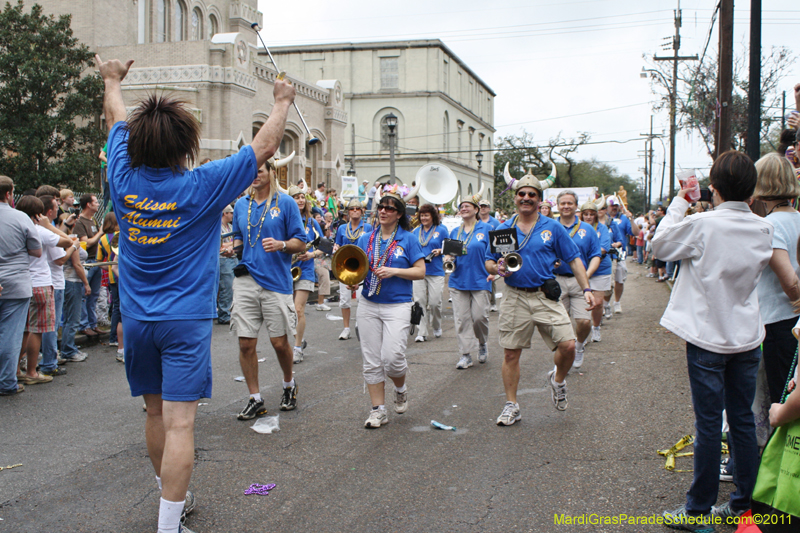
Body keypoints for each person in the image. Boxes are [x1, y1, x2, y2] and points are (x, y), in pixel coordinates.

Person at [97, 54, 295, 533]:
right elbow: (265, 145)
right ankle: (168, 522)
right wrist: (283, 101)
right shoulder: (203, 184)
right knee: (181, 423)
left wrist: (111, 80)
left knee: (153, 412)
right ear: (186, 145)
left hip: (138, 320)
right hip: (185, 322)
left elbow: (116, 117)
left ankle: (172, 504)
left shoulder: (121, 178)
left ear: (139, 143)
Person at [653, 151, 773, 528]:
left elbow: (659, 246)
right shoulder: (762, 228)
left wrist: (680, 201)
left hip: (707, 337)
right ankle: (742, 506)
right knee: (742, 420)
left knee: (708, 424)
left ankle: (698, 511)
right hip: (747, 337)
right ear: (751, 192)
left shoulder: (704, 224)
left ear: (714, 187)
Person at [486, 169, 597, 424]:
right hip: (514, 296)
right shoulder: (504, 228)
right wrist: (497, 268)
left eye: (532, 194)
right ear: (515, 198)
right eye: (522, 194)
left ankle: (557, 380)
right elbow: (489, 263)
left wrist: (587, 289)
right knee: (511, 354)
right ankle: (511, 405)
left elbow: (574, 259)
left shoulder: (553, 227)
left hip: (545, 295)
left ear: (539, 199)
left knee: (568, 345)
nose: (526, 198)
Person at [231, 154, 307, 421]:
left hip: (276, 282)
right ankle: (255, 398)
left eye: (260, 170)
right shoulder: (241, 204)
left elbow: (301, 242)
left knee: (278, 343)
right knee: (245, 344)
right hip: (245, 281)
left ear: (271, 172)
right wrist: (234, 249)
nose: (255, 175)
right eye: (251, 171)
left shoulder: (285, 203)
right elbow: (240, 237)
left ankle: (289, 384)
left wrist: (282, 244)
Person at [347, 183, 425, 428]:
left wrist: (394, 271)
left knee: (392, 358)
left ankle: (400, 388)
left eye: (390, 209)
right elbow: (356, 268)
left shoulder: (408, 239)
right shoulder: (365, 237)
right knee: (371, 360)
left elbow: (421, 271)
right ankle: (377, 410)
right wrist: (352, 282)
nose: (383, 211)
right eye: (381, 207)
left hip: (397, 305)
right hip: (368, 303)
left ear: (399, 214)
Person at [753, 152, 800, 405]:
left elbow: (790, 281)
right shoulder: (797, 219)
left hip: (780, 324)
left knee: (781, 393)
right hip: (793, 324)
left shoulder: (770, 226)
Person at [16, 195, 72, 386]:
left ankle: (16, 369)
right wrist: (49, 226)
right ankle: (32, 371)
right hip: (40, 282)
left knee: (22, 330)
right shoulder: (38, 230)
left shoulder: (16, 228)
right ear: (38, 214)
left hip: (22, 281)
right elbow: (68, 241)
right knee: (36, 330)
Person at [0, 176, 42, 396]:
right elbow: (36, 250)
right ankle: (6, 381)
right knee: (10, 334)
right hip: (15, 283)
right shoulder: (20, 218)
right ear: (9, 194)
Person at [445, 186, 492, 369]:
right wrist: (448, 258)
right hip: (458, 281)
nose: (464, 208)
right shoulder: (454, 232)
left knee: (479, 317)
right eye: (462, 206)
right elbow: (448, 256)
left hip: (481, 280)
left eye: (467, 206)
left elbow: (494, 254)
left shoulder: (487, 229)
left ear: (476, 210)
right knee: (462, 320)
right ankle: (465, 355)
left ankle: (481, 342)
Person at [553, 191, 601, 369]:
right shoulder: (550, 227)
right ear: (557, 206)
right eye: (562, 203)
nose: (566, 206)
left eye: (570, 203)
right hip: (556, 280)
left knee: (584, 321)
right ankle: (561, 360)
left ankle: (579, 345)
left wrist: (585, 276)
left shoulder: (587, 229)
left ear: (576, 206)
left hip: (580, 282)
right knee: (559, 325)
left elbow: (596, 255)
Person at [39, 195, 80, 377]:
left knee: (39, 326)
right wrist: (74, 246)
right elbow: (61, 258)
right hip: (53, 281)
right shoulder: (47, 230)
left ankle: (45, 359)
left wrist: (63, 227)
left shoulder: (41, 229)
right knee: (51, 326)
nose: (59, 209)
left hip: (46, 281)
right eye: (57, 206)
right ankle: (49, 362)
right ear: (50, 211)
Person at [289, 181, 323, 363]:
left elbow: (325, 245)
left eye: (302, 197)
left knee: (298, 309)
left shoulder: (311, 222)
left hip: (306, 270)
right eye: (296, 197)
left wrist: (311, 254)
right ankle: (299, 339)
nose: (300, 200)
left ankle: (296, 347)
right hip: (286, 270)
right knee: (288, 312)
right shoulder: (284, 219)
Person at [333, 197, 373, 340]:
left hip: (362, 267)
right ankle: (346, 328)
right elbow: (337, 244)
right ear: (348, 212)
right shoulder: (342, 228)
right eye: (352, 209)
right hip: (345, 267)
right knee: (344, 300)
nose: (355, 211)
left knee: (363, 299)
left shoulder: (368, 227)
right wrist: (336, 248)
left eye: (357, 208)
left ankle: (359, 324)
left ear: (362, 212)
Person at [412, 203, 448, 342]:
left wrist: (440, 251)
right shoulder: (415, 231)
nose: (424, 218)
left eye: (426, 215)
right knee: (419, 301)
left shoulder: (442, 230)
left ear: (433, 216)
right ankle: (422, 332)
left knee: (434, 302)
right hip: (418, 271)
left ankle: (436, 325)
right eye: (421, 215)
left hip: (436, 271)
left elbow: (449, 247)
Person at [579, 199, 612, 343]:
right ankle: (584, 331)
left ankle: (596, 327)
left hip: (601, 269)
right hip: (581, 269)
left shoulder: (602, 228)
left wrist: (588, 253)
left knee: (598, 303)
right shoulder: (577, 228)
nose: (588, 217)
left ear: (596, 215)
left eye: (591, 214)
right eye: (585, 214)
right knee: (583, 302)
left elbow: (604, 247)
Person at [74, 193, 105, 337]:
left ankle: (93, 324)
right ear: (88, 204)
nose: (98, 204)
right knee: (84, 294)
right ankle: (83, 325)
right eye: (95, 202)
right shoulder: (79, 222)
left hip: (96, 261)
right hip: (87, 262)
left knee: (94, 295)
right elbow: (86, 242)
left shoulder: (93, 221)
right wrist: (100, 232)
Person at [605, 197, 639, 314]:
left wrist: (631, 219)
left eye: (616, 205)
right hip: (605, 255)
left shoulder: (623, 219)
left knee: (619, 280)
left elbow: (636, 233)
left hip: (619, 253)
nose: (614, 208)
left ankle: (617, 302)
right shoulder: (602, 218)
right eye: (611, 205)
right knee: (606, 281)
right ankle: (605, 304)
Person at [97, 212, 122, 360]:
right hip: (121, 275)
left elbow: (100, 260)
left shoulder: (102, 239)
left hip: (111, 276)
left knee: (115, 305)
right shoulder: (120, 236)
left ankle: (113, 336)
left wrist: (108, 270)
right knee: (119, 308)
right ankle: (115, 338)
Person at [478, 198, 501, 312]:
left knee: (491, 278)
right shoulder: (475, 221)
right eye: (481, 206)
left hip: (490, 253)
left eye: (485, 206)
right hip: (479, 252)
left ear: (489, 208)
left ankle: (492, 302)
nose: (483, 208)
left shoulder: (495, 223)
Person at [217, 205, 236, 325]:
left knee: (232, 287)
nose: (233, 215)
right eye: (231, 213)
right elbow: (220, 246)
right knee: (226, 287)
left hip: (232, 257)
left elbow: (233, 242)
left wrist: (229, 244)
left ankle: (230, 312)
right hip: (223, 259)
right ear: (225, 213)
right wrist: (231, 244)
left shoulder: (230, 227)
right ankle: (224, 314)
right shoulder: (218, 227)